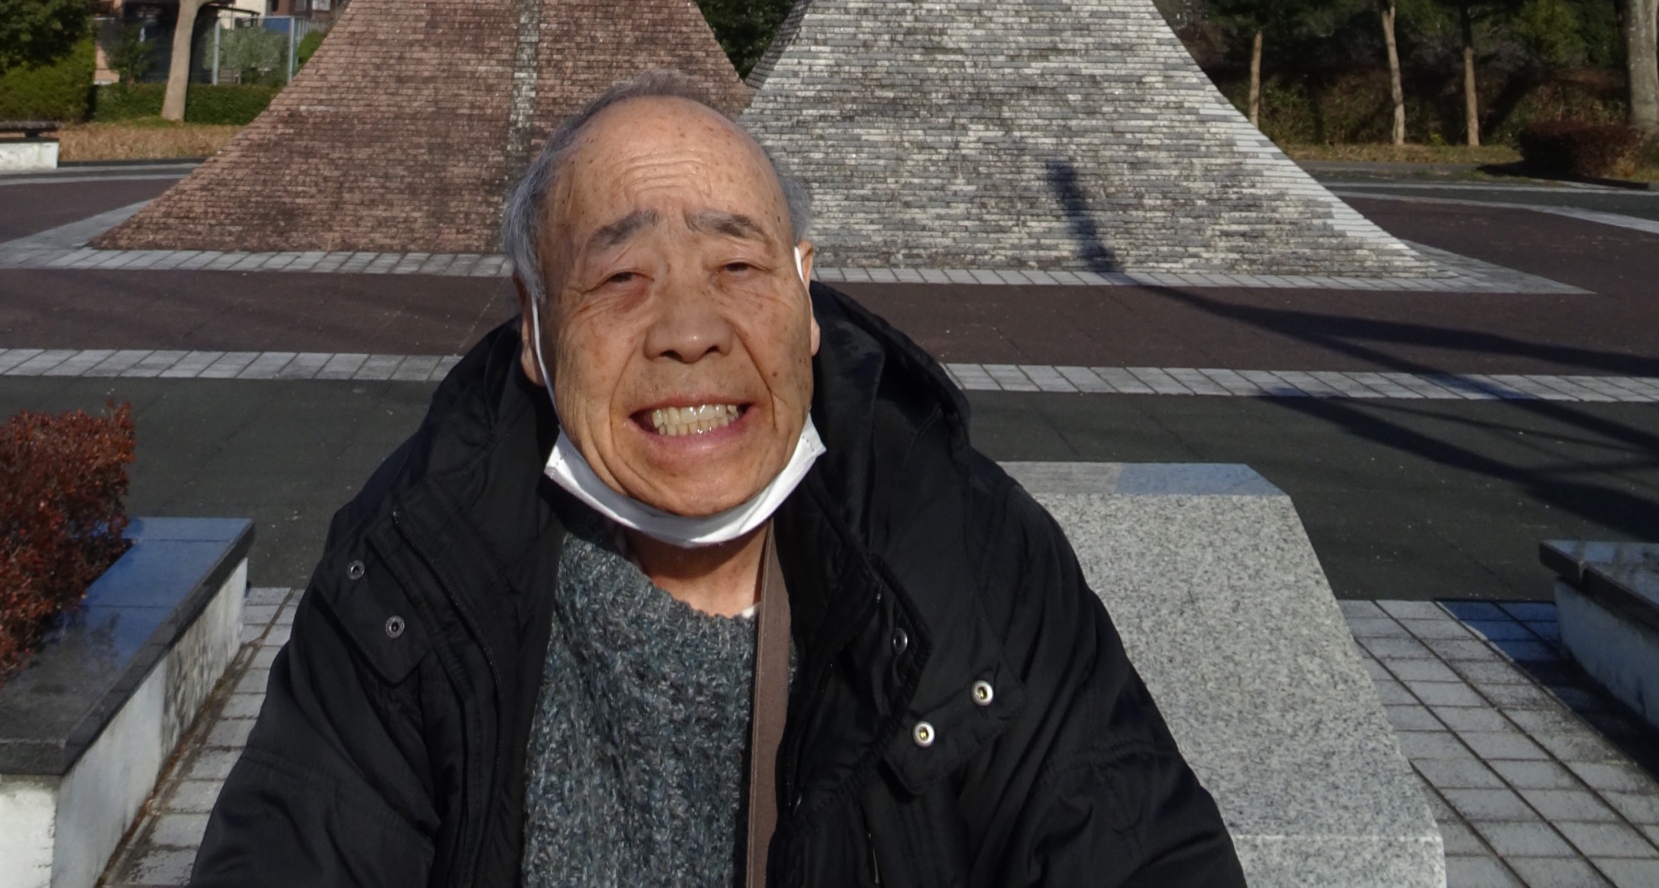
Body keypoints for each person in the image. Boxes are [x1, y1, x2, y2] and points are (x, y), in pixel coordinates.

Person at [192, 74, 1245, 888]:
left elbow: (1135, 848)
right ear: (533, 330)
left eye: (736, 268)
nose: (689, 333)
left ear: (804, 295)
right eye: (618, 279)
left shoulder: (967, 552)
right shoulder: (409, 569)